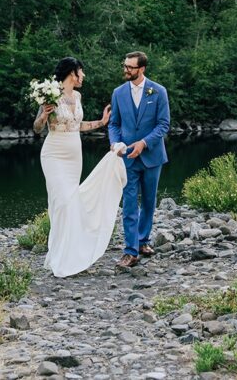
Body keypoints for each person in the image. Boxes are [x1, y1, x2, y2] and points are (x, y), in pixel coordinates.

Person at [33, 57, 125, 277]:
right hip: (54, 153)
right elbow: (37, 128)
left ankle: (71, 253)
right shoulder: (51, 94)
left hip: (75, 155)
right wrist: (44, 114)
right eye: (82, 72)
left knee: (71, 201)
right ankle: (61, 256)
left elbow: (77, 125)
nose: (84, 76)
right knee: (62, 202)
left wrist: (101, 123)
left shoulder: (78, 96)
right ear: (73, 73)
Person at [107, 51, 171, 268]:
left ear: (141, 69)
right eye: (125, 65)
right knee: (129, 203)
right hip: (127, 158)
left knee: (149, 202)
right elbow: (114, 124)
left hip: (152, 156)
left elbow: (163, 124)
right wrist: (115, 143)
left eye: (130, 67)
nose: (126, 70)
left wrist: (144, 143)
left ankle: (143, 240)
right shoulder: (118, 93)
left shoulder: (158, 91)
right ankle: (130, 250)